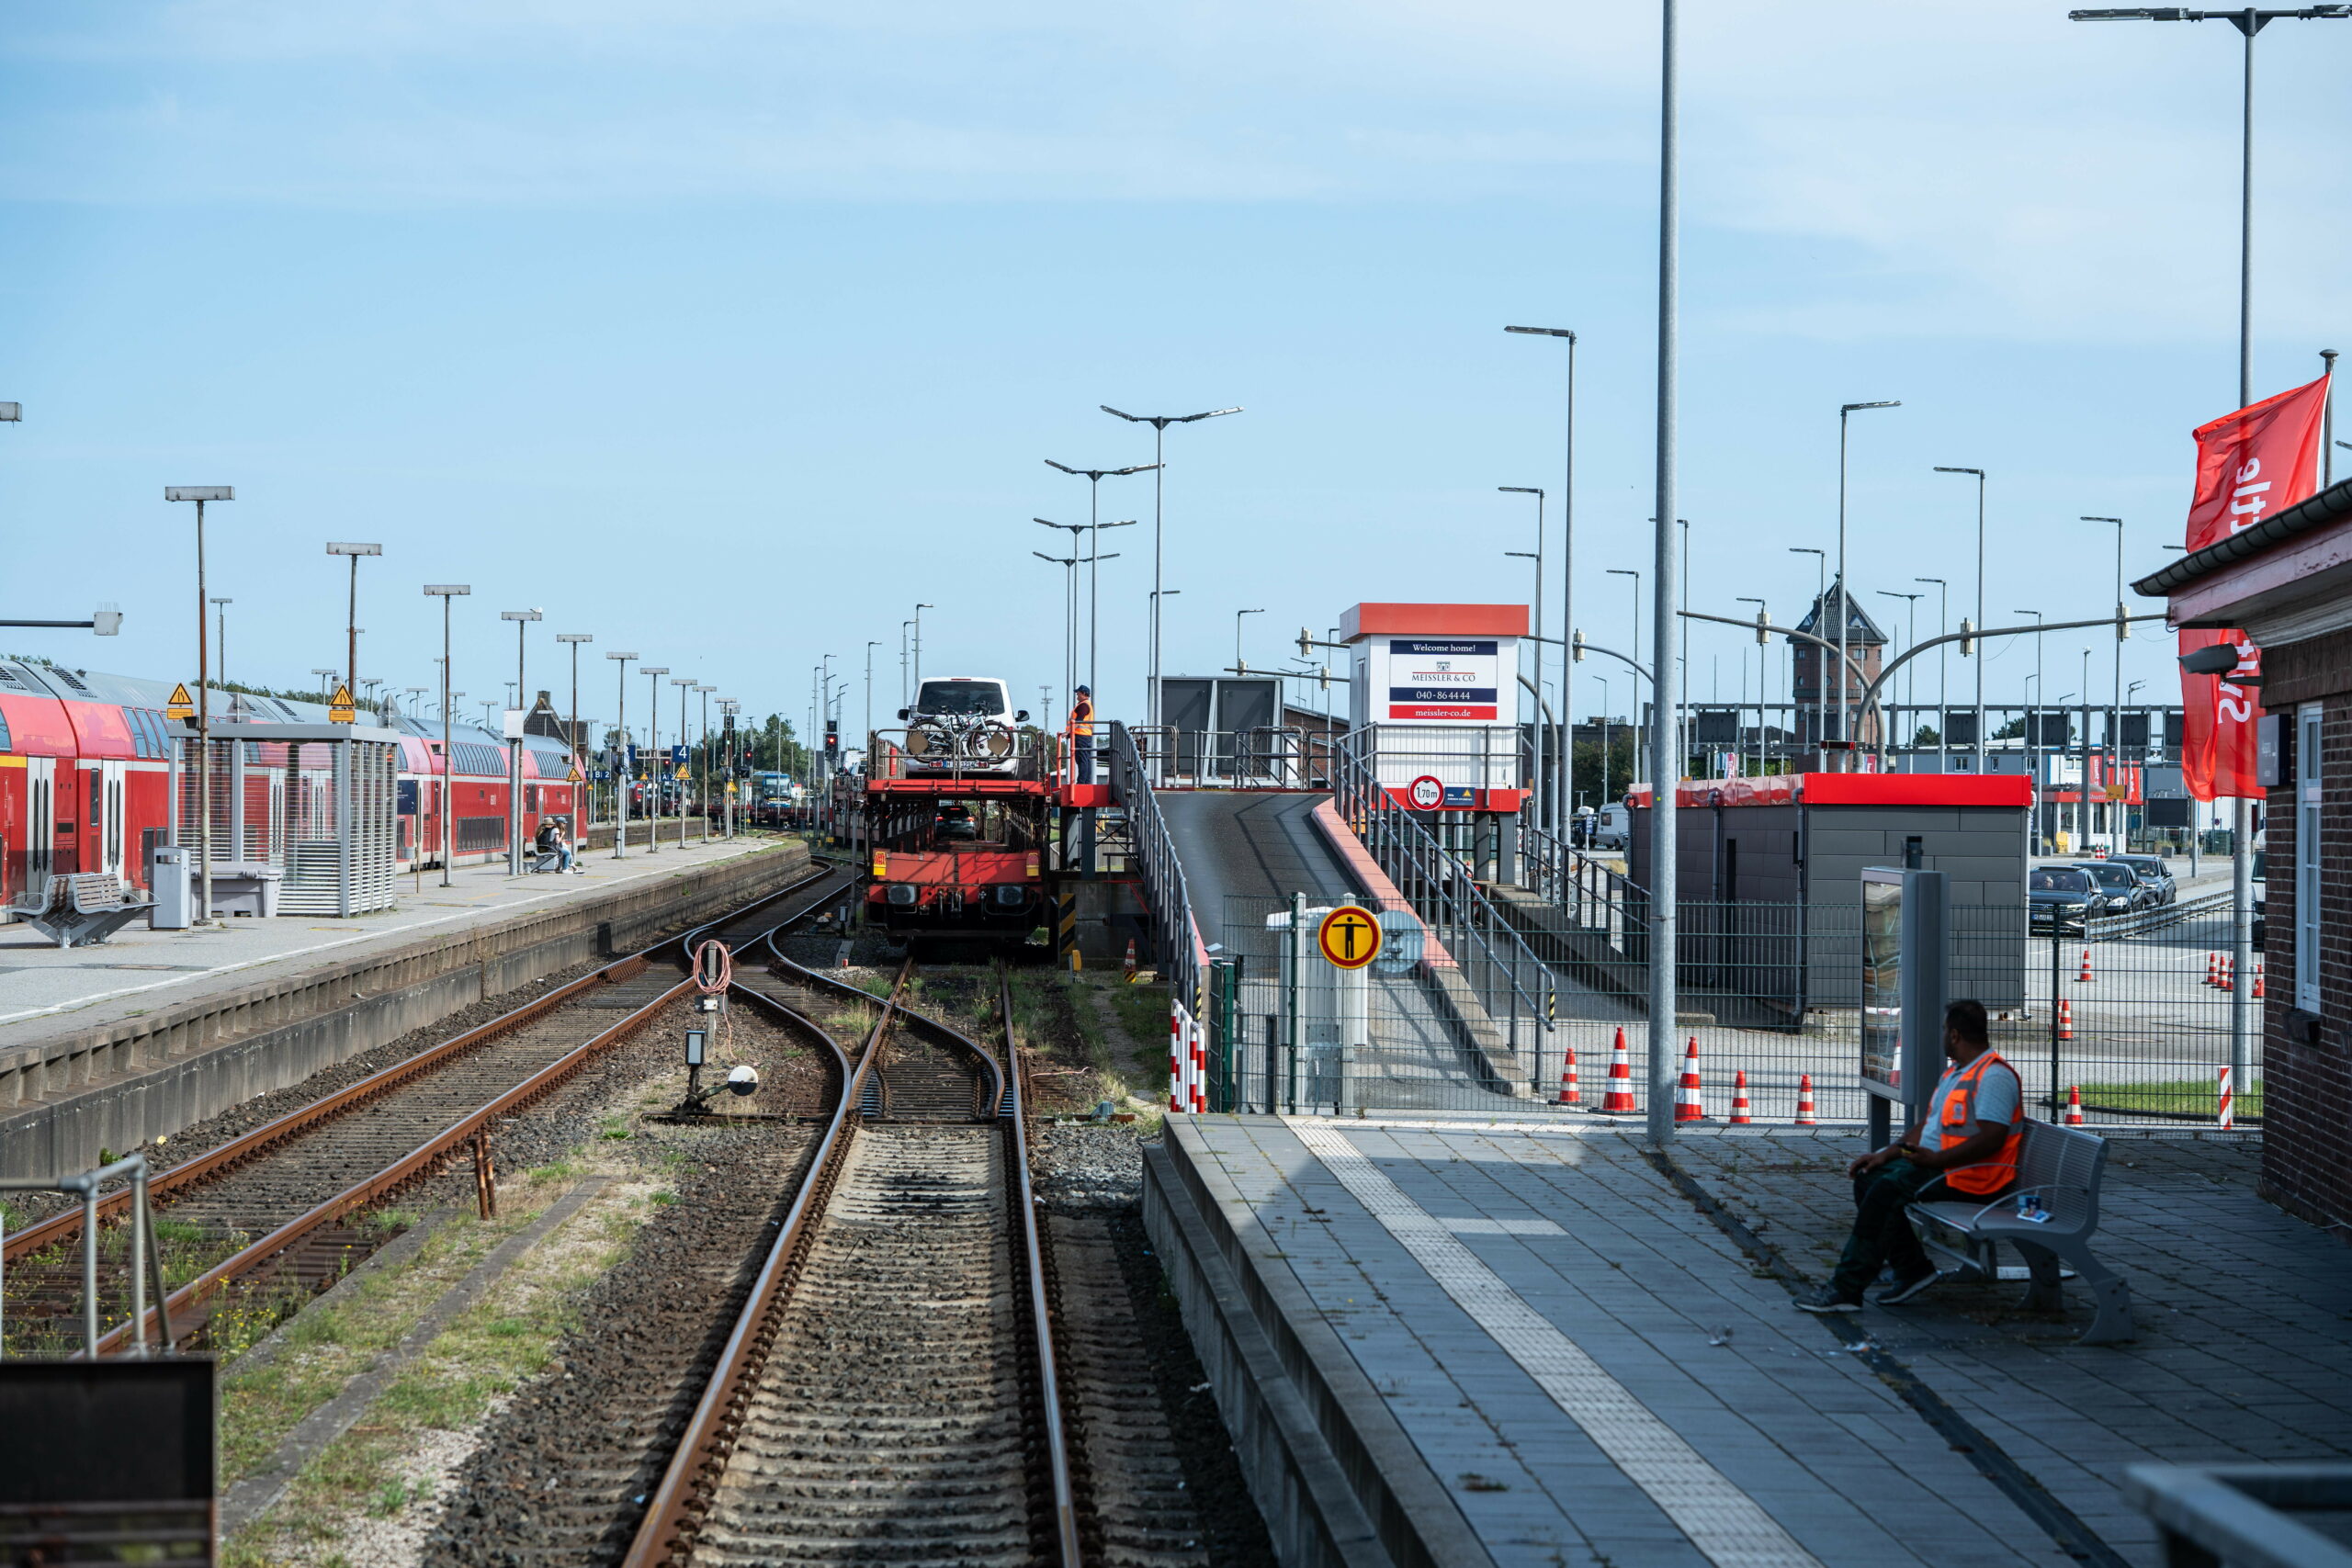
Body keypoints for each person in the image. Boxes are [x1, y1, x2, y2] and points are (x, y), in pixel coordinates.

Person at [1795, 998, 2023, 1314]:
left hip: (1971, 1178)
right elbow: (1928, 1125)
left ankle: (1846, 1287)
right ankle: (1912, 1269)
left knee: (1886, 1190)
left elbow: (1992, 1138)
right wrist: (1888, 1154)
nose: (1942, 1036)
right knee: (1869, 1178)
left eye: (1944, 1030)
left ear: (1955, 1035)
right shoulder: (1957, 1073)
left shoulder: (1994, 1077)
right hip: (1944, 1169)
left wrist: (1936, 1161)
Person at [1069, 684, 1095, 785]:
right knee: (1086, 760)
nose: (1077, 695)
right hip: (1086, 736)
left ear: (1084, 694)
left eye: (1078, 693)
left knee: (1082, 760)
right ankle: (1086, 782)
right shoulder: (1087, 705)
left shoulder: (1083, 706)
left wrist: (1068, 732)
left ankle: (1081, 783)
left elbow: (1078, 720)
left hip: (1081, 736)